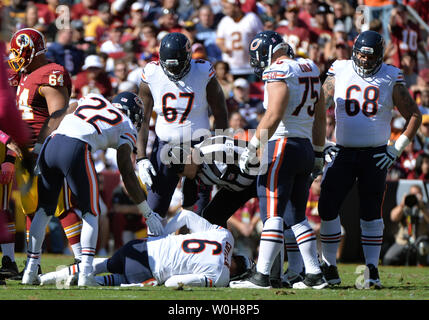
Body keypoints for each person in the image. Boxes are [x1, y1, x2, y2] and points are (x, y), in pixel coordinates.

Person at [21, 92, 163, 286]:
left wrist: (39, 149)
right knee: (91, 212)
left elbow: (61, 114)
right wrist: (147, 212)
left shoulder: (93, 98)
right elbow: (127, 173)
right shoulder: (127, 125)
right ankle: (86, 273)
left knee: (44, 210)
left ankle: (30, 270)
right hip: (76, 148)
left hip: (51, 143)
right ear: (134, 113)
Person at [317, 30, 422, 289]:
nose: (364, 61)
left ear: (379, 56)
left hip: (375, 154)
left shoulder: (390, 76)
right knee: (327, 206)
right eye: (361, 56)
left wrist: (396, 149)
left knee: (371, 211)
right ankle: (330, 266)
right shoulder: (340, 69)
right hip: (341, 150)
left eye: (369, 57)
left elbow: (415, 116)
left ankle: (372, 269)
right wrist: (322, 143)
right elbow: (318, 107)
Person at [230, 30, 327, 289]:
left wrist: (252, 148)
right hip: (305, 146)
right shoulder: (309, 67)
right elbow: (320, 117)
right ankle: (315, 275)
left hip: (282, 145)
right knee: (296, 214)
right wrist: (318, 152)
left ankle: (261, 276)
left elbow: (273, 116)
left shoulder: (278, 71)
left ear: (270, 52)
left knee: (272, 213)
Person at [7, 28, 83, 273]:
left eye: (19, 52)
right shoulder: (24, 74)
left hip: (45, 149)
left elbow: (59, 115)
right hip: (25, 152)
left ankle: (83, 260)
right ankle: (34, 263)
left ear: (32, 51)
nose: (15, 57)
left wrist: (42, 146)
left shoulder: (51, 73)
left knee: (60, 207)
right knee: (31, 208)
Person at [136, 32, 228, 219]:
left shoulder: (202, 71)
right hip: (164, 146)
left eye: (177, 66)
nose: (173, 72)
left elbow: (220, 111)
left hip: (199, 147)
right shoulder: (152, 73)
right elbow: (143, 119)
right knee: (154, 213)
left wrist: (220, 148)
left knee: (198, 214)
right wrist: (141, 158)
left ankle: (194, 247)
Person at [38, 209, 253, 287]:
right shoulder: (222, 277)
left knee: (101, 265)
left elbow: (185, 215)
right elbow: (171, 283)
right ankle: (67, 281)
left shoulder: (226, 236)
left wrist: (163, 237)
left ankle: (47, 278)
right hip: (146, 272)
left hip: (142, 247)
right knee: (114, 280)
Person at [216, 0, 263, 79]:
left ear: (236, 7)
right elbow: (219, 40)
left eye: (228, 8)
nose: (225, 11)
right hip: (231, 67)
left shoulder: (251, 18)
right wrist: (223, 48)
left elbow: (261, 38)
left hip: (250, 67)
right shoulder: (224, 21)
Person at [383, 184, 429, 266]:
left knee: (423, 248)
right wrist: (402, 205)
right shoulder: (405, 206)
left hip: (421, 242)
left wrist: (422, 208)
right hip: (403, 241)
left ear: (421, 195)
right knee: (388, 259)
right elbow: (393, 217)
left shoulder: (425, 207)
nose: (414, 197)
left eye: (417, 194)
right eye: (412, 194)